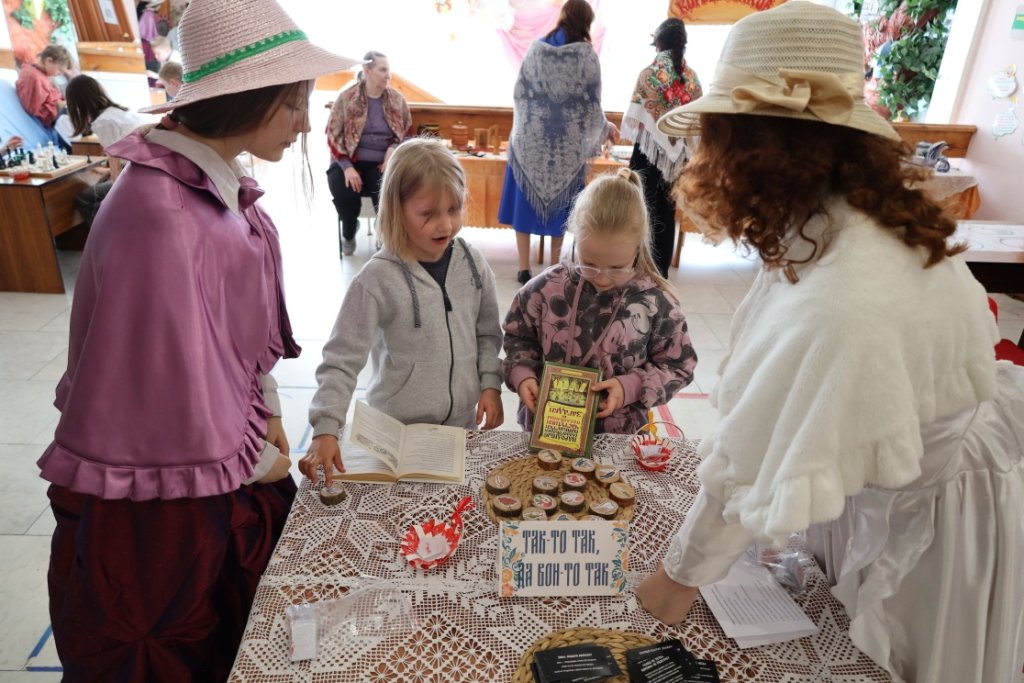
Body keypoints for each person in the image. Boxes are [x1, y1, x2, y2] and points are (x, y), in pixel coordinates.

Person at [634, 4, 1024, 683]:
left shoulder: (843, 294)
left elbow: (757, 453)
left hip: (935, 522)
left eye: (715, 138)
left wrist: (674, 580)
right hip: (906, 476)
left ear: (757, 150)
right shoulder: (848, 219)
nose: (703, 157)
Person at [36, 0, 357, 679]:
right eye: (295, 103)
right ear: (248, 98)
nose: (304, 122)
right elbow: (174, 402)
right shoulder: (163, 214)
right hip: (165, 506)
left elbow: (226, 332)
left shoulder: (201, 184)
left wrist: (267, 407)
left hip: (210, 463)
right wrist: (264, 461)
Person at [301, 138, 503, 486]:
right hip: (395, 436)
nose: (445, 225)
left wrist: (490, 384)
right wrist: (326, 428)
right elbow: (341, 359)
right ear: (397, 209)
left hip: (461, 428)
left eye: (454, 209)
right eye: (428, 214)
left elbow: (487, 333)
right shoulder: (376, 279)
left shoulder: (473, 263)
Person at [502, 167, 697, 435]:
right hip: (548, 430)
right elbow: (519, 339)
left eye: (617, 267)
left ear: (638, 248)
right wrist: (522, 374)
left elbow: (679, 366)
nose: (602, 278)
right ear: (575, 240)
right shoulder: (544, 289)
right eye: (589, 264)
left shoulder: (657, 304)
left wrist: (631, 387)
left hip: (619, 435)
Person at [498, 0, 619, 285]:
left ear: (563, 17)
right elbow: (591, 105)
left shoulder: (536, 49)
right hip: (566, 147)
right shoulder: (587, 56)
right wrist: (605, 127)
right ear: (586, 23)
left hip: (529, 141)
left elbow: (520, 95)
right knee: (561, 207)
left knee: (524, 205)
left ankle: (524, 267)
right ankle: (554, 267)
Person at [622, 17, 702, 278]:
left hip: (647, 154)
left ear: (658, 42)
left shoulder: (649, 74)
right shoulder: (692, 78)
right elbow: (696, 121)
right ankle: (660, 275)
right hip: (678, 159)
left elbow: (637, 119)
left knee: (639, 211)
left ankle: (636, 270)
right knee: (667, 213)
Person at [326, 50, 412, 258]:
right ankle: (348, 231)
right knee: (345, 193)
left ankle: (383, 233)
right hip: (347, 159)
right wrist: (347, 168)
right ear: (367, 70)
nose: (387, 75)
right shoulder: (346, 98)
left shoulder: (396, 99)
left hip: (381, 163)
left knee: (386, 189)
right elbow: (333, 133)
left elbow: (406, 132)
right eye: (382, 70)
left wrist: (392, 152)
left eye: (388, 70)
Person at [65, 74, 146, 223]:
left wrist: (116, 194)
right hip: (144, 172)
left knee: (84, 199)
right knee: (99, 196)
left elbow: (115, 161)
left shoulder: (103, 122)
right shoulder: (120, 112)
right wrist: (108, 172)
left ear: (76, 103)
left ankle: (107, 234)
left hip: (136, 179)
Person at [16, 44, 73, 149]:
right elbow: (33, 107)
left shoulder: (41, 74)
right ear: (49, 61)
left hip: (59, 113)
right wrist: (58, 105)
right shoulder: (33, 77)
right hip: (55, 117)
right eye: (59, 70)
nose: (59, 74)